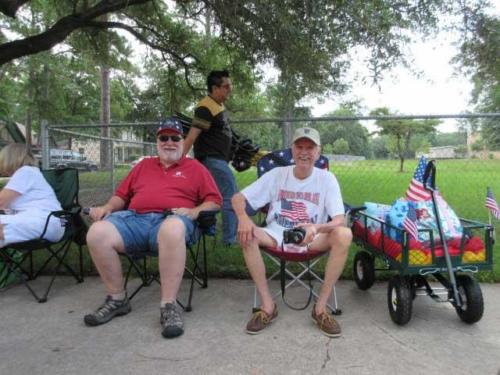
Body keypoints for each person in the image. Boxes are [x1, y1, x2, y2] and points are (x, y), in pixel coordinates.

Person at [83, 117, 222, 339]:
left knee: (172, 228)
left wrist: (195, 212)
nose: (169, 142)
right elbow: (121, 195)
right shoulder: (143, 165)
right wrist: (107, 207)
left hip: (174, 220)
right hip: (135, 220)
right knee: (97, 232)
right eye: (163, 137)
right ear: (157, 141)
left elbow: (214, 200)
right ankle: (117, 299)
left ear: (183, 140)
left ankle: (169, 306)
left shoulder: (195, 167)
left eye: (175, 138)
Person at [231, 127, 352, 337]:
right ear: (292, 150)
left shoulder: (327, 179)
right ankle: (268, 306)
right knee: (247, 233)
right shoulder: (277, 175)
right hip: (276, 235)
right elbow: (237, 198)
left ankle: (320, 309)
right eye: (299, 146)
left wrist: (315, 228)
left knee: (345, 234)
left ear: (318, 151)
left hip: (312, 238)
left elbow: (339, 220)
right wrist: (243, 218)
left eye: (310, 147)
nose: (304, 152)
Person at [183, 69, 238, 245]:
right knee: (231, 196)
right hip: (211, 160)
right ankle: (230, 240)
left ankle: (208, 232)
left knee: (212, 198)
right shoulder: (205, 108)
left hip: (218, 161)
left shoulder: (217, 106)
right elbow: (192, 136)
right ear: (215, 88)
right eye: (226, 86)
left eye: (230, 86)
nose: (230, 89)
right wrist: (177, 161)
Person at [0, 143, 64, 247]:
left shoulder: (26, 172)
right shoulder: (28, 173)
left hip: (45, 221)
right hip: (45, 222)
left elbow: (1, 201)